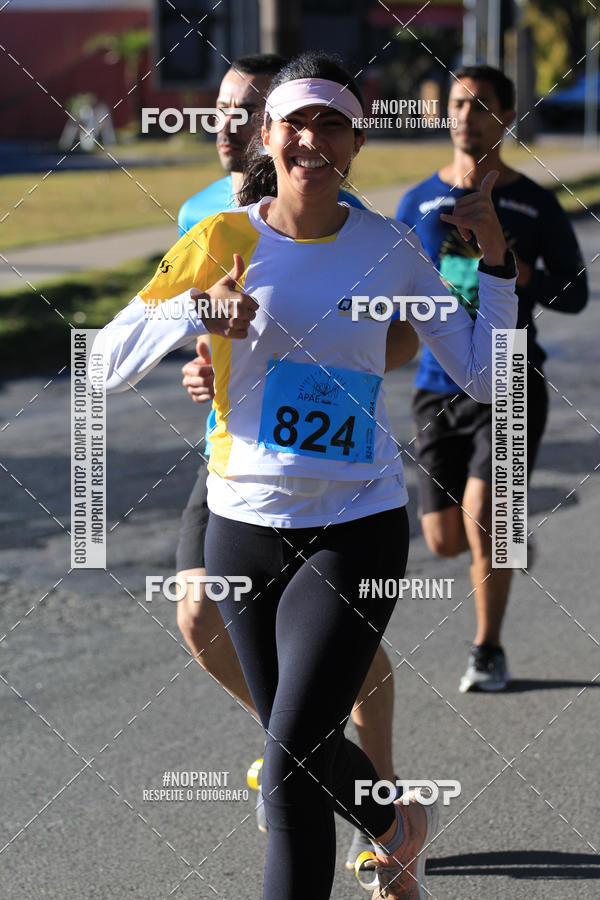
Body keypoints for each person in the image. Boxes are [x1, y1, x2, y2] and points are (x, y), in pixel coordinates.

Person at [93, 51, 517, 900]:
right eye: (296, 121)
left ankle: (390, 825)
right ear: (269, 134)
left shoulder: (391, 248)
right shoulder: (219, 238)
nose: (311, 138)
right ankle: (396, 822)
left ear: (355, 141)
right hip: (243, 524)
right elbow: (103, 362)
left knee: (287, 770)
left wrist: (498, 270)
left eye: (332, 122)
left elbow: (485, 379)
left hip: (356, 523)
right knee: (303, 749)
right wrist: (198, 310)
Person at [174, 53, 402, 867]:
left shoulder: (344, 213)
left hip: (334, 478)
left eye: (247, 109)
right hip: (231, 465)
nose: (230, 122)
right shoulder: (202, 212)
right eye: (223, 109)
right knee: (200, 620)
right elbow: (192, 319)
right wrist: (203, 360)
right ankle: (340, 781)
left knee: (330, 673)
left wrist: (325, 369)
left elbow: (392, 337)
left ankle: (359, 775)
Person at [396, 64, 588, 693]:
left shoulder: (534, 202)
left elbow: (577, 294)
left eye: (481, 105)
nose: (466, 116)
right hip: (435, 385)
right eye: (457, 103)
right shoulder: (417, 202)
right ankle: (505, 537)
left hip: (509, 381)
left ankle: (488, 650)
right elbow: (394, 290)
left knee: (485, 517)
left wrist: (520, 274)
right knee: (445, 539)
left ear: (507, 117)